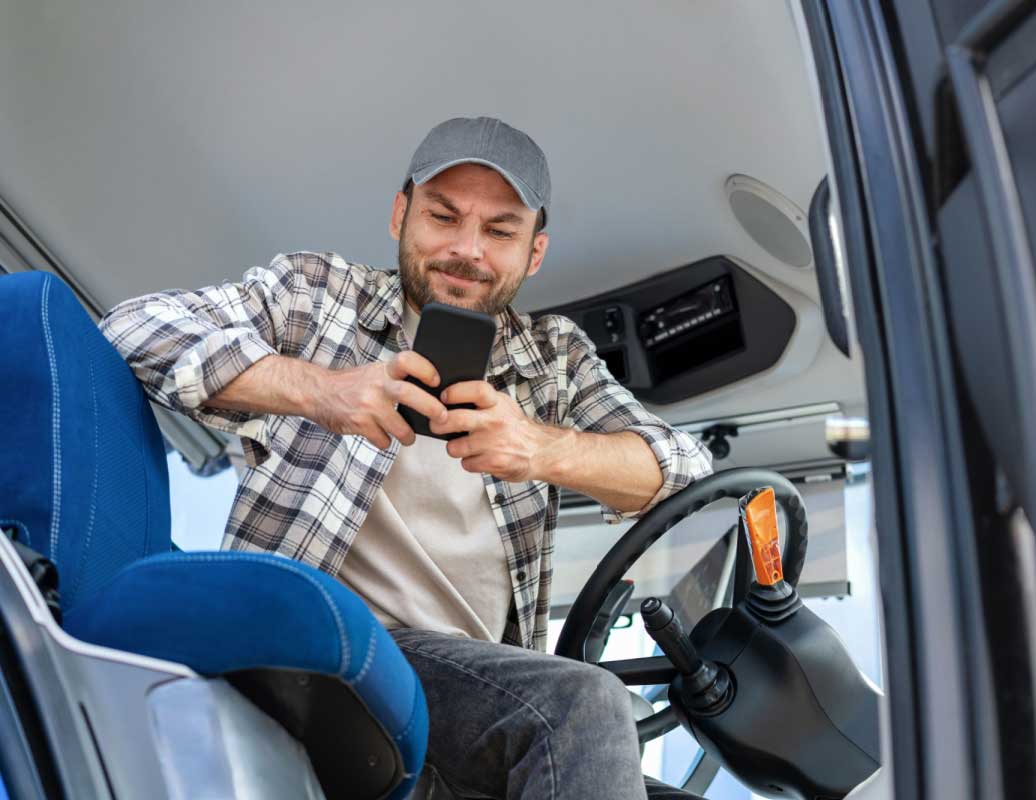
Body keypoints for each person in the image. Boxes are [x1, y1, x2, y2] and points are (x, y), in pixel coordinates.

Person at [101, 116, 714, 799]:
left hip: (474, 696)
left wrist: (539, 448)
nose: (466, 249)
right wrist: (322, 391)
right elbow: (132, 329)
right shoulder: (316, 295)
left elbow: (681, 469)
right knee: (583, 706)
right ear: (402, 213)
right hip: (329, 658)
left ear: (534, 253)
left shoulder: (556, 361)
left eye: (500, 230)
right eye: (444, 217)